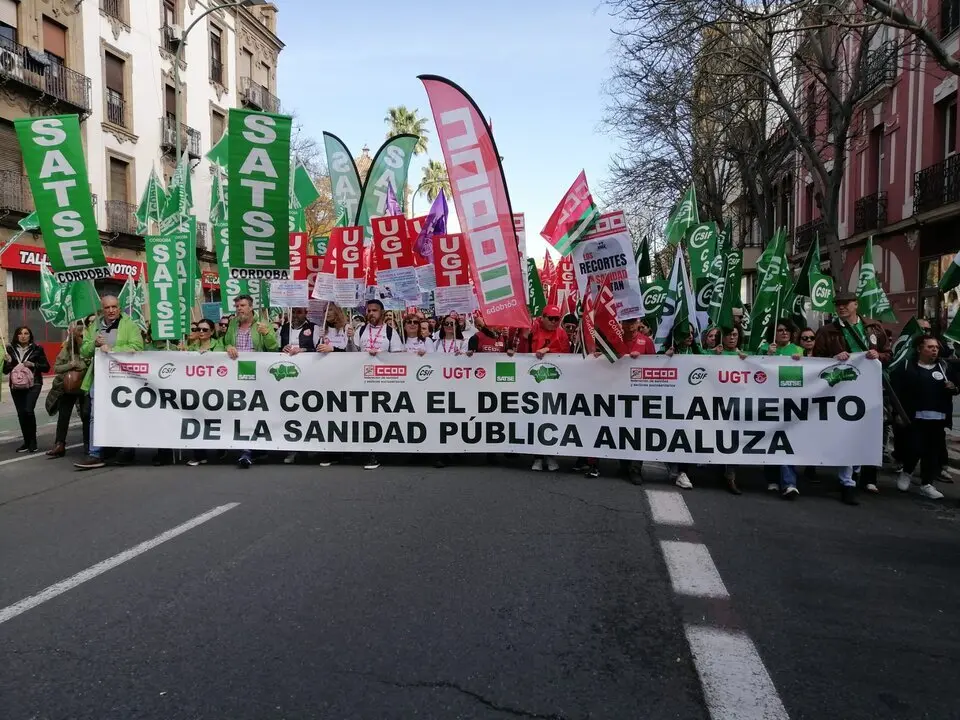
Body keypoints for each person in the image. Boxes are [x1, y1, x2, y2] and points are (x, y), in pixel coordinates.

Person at [813, 291, 890, 504]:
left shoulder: (873, 328)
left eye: (846, 304)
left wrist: (879, 356)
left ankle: (854, 473)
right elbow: (815, 362)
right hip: (840, 388)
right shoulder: (827, 331)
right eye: (838, 304)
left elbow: (888, 354)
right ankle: (847, 481)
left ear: (856, 304)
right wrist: (833, 358)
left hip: (869, 388)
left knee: (864, 431)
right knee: (847, 431)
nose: (841, 307)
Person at [74, 295, 145, 470]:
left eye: (114, 307)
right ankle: (94, 453)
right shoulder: (94, 326)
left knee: (124, 413)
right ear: (102, 309)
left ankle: (127, 450)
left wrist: (113, 350)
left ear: (119, 307)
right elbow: (84, 351)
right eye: (107, 308)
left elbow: (137, 347)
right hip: (100, 377)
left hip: (124, 378)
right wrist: (94, 345)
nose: (111, 310)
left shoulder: (129, 325)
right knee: (94, 415)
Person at [891, 335, 959, 500]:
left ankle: (927, 484)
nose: (934, 350)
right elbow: (896, 392)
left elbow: (957, 386)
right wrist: (897, 413)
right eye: (930, 347)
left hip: (938, 418)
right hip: (914, 418)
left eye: (936, 347)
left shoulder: (945, 367)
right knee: (914, 448)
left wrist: (954, 387)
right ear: (919, 349)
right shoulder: (907, 367)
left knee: (932, 452)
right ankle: (907, 472)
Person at [223, 294, 279, 469]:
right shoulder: (233, 324)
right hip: (236, 372)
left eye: (243, 305)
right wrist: (228, 347)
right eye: (237, 305)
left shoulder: (262, 323)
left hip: (257, 373)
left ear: (251, 307)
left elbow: (273, 347)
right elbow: (225, 342)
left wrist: (268, 334)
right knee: (240, 410)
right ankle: (245, 449)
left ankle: (251, 449)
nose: (239, 309)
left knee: (254, 411)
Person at [351, 299, 403, 469]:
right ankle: (368, 451)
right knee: (365, 417)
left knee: (381, 417)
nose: (371, 313)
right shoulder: (361, 330)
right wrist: (350, 340)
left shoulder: (390, 332)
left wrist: (380, 355)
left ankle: (380, 451)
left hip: (383, 382)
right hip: (363, 381)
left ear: (382, 312)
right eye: (369, 310)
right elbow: (351, 354)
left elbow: (397, 356)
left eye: (374, 310)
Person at [527, 305, 571, 472]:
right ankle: (537, 456)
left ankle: (551, 454)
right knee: (536, 417)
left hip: (554, 382)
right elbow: (524, 350)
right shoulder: (534, 329)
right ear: (543, 317)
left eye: (556, 319)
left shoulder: (561, 333)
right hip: (534, 380)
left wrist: (549, 350)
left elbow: (567, 356)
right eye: (550, 318)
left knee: (552, 417)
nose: (554, 322)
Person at [47, 319, 92, 458]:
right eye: (79, 335)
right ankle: (59, 444)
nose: (81, 338)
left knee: (86, 415)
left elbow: (91, 365)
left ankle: (88, 445)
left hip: (85, 386)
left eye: (83, 335)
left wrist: (82, 365)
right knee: (63, 415)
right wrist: (70, 365)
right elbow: (57, 367)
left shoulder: (90, 348)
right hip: (68, 387)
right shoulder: (67, 348)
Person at [3, 326, 50, 453]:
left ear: (30, 335)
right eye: (20, 333)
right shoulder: (10, 349)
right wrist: (8, 361)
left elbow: (46, 367)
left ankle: (33, 441)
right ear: (16, 336)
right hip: (16, 385)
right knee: (21, 413)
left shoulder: (37, 349)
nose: (23, 336)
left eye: (26, 333)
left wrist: (33, 364)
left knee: (28, 410)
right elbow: (5, 371)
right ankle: (26, 441)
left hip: (34, 384)